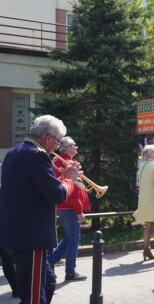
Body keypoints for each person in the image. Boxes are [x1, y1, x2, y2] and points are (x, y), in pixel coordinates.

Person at [0, 115, 79, 304]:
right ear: (48, 137)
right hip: (31, 237)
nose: (57, 147)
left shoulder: (14, 152)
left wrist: (60, 179)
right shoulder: (37, 155)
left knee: (49, 284)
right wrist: (70, 179)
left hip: (18, 233)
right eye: (58, 141)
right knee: (34, 297)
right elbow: (57, 195)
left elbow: (39, 190)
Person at [47, 136, 90, 281]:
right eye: (74, 144)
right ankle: (69, 271)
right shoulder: (70, 164)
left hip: (62, 206)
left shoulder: (56, 162)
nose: (76, 147)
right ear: (66, 148)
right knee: (74, 240)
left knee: (69, 237)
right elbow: (75, 191)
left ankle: (51, 262)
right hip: (71, 208)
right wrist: (79, 211)